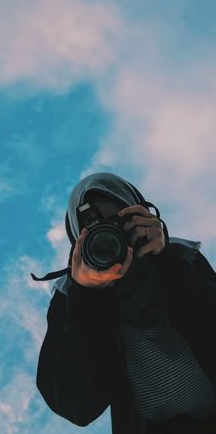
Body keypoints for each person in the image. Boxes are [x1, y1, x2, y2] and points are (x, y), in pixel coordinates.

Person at [33, 172, 216, 434]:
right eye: (94, 229)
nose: (110, 236)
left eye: (120, 221)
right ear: (78, 243)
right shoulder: (71, 296)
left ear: (142, 216)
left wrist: (165, 260)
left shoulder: (182, 257)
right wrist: (85, 295)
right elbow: (75, 406)